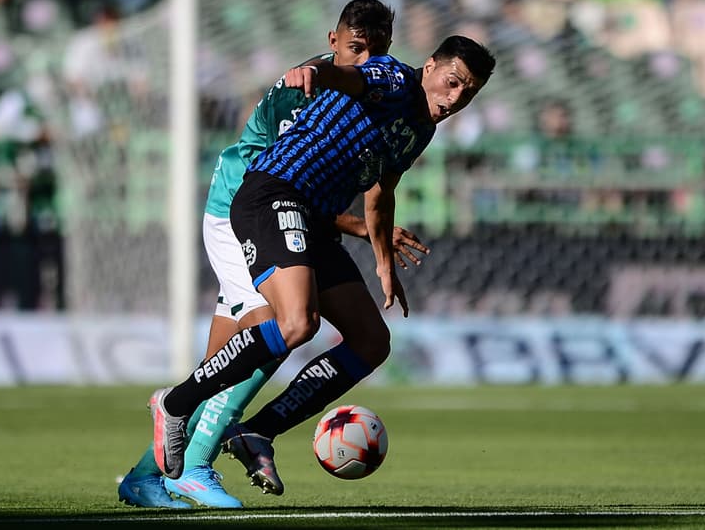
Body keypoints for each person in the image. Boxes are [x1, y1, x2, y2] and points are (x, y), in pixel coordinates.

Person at [118, 0, 429, 509]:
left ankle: (146, 475)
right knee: (281, 322)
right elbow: (285, 184)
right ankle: (194, 465)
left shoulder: (376, 98)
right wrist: (355, 228)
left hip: (286, 218)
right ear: (333, 42)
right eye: (354, 48)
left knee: (228, 359)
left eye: (375, 50)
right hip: (241, 208)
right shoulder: (306, 90)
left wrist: (371, 233)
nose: (365, 59)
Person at [149, 35, 495, 493]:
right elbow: (346, 76)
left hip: (311, 218)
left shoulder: (421, 129)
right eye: (452, 83)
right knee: (295, 324)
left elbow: (381, 193)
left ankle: (257, 431)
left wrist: (383, 262)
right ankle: (175, 403)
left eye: (467, 94)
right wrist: (315, 73)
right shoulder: (392, 78)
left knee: (372, 342)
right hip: (274, 193)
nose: (454, 100)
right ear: (429, 67)